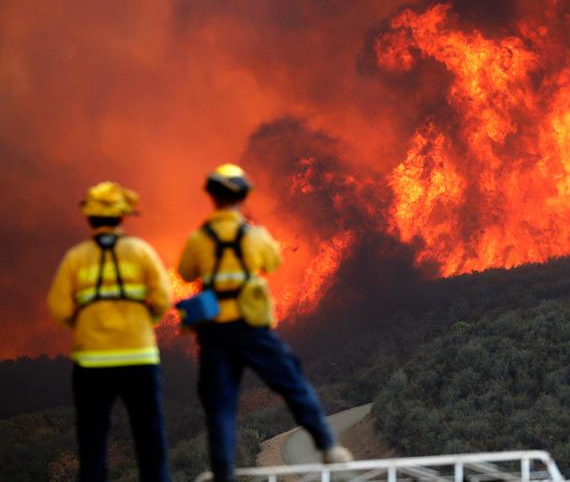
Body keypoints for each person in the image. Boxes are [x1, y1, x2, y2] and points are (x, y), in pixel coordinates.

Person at [178, 164, 352, 481]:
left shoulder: (199, 240)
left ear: (213, 198)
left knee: (220, 404)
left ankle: (222, 472)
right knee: (291, 383)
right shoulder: (254, 235)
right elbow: (271, 261)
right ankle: (329, 447)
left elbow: (186, 272)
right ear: (243, 196)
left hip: (215, 333)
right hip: (251, 328)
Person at [47, 181, 172, 482]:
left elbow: (59, 309)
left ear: (90, 218)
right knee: (149, 436)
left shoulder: (76, 258)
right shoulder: (141, 252)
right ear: (122, 217)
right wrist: (145, 321)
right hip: (139, 360)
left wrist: (86, 326)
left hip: (92, 363)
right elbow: (164, 300)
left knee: (93, 441)